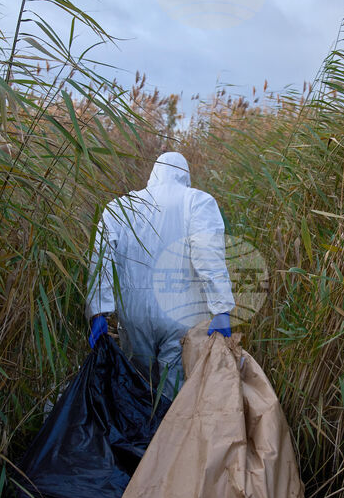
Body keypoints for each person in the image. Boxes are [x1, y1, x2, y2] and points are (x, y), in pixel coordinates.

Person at [86, 151, 234, 400]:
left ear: (153, 174)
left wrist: (99, 311)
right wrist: (221, 308)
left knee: (137, 385)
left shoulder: (120, 207)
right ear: (185, 175)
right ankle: (167, 435)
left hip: (133, 315)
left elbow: (100, 260)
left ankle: (140, 435)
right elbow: (208, 257)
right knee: (174, 393)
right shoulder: (197, 201)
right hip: (181, 313)